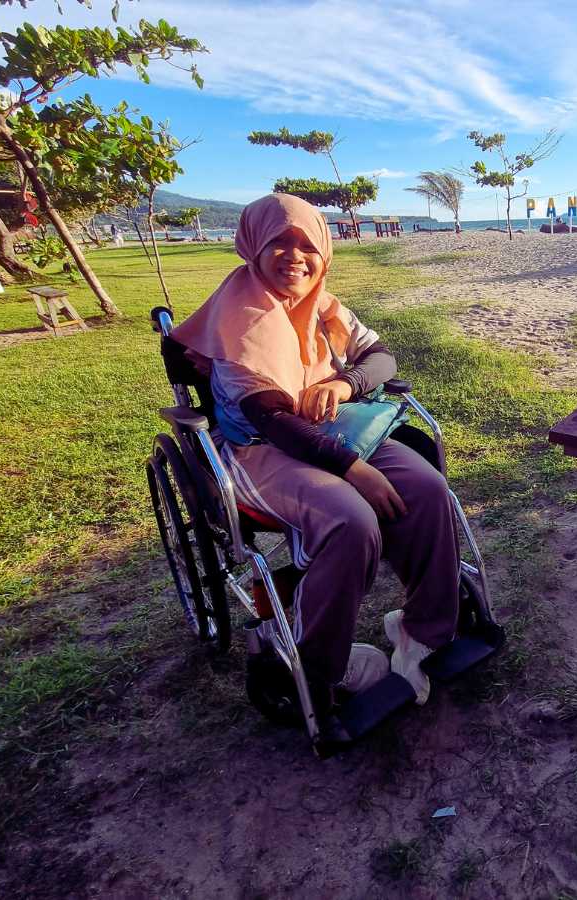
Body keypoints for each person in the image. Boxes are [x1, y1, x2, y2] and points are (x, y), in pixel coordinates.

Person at [169, 193, 458, 723]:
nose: (294, 255)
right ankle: (318, 662)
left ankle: (422, 632)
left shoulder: (327, 308)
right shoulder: (240, 317)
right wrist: (355, 471)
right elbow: (271, 419)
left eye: (307, 244)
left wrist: (346, 384)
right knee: (350, 518)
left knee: (428, 488)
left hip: (340, 430)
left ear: (325, 251)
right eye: (279, 242)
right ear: (253, 248)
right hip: (262, 450)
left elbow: (382, 356)